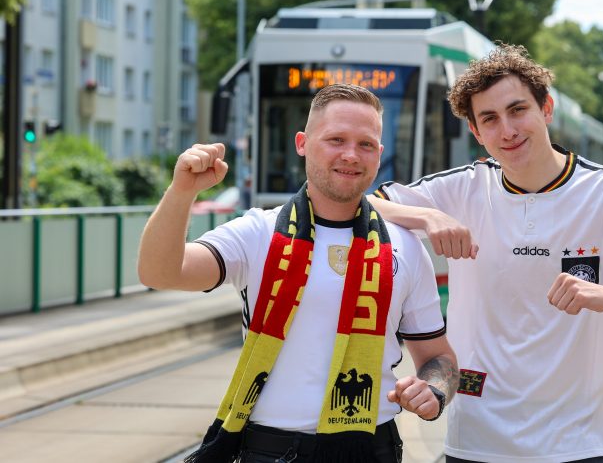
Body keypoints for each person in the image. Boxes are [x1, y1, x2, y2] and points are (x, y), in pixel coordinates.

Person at [369, 44, 603, 463]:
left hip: (578, 441)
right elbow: (361, 204)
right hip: (476, 436)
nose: (508, 130)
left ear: (546, 109)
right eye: (490, 119)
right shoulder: (463, 187)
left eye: (517, 110)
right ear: (477, 133)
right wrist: (427, 216)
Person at [138, 83, 458, 463]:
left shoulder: (405, 246)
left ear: (379, 154)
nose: (351, 155)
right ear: (302, 143)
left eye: (366, 144)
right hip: (269, 451)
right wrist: (181, 192)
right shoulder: (258, 232)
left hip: (371, 450)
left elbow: (439, 358)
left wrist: (434, 390)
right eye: (336, 140)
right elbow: (160, 273)